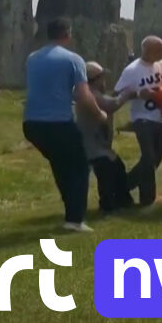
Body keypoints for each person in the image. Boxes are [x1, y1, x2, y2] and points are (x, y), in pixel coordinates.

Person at [23, 17, 108, 233]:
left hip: (32, 124)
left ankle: (71, 210)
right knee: (80, 167)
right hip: (58, 122)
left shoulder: (32, 58)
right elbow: (83, 94)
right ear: (68, 34)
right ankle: (75, 219)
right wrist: (99, 114)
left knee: (61, 165)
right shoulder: (74, 60)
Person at [115, 36, 162, 207]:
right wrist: (140, 94)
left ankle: (122, 186)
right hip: (142, 119)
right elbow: (118, 94)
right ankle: (147, 201)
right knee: (148, 158)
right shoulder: (132, 70)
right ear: (147, 50)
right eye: (159, 49)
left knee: (155, 159)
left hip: (161, 119)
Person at [80, 61, 136, 214]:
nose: (103, 80)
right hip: (92, 146)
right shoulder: (89, 94)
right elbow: (112, 104)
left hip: (99, 144)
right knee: (106, 172)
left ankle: (123, 201)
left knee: (117, 167)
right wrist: (128, 93)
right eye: (101, 77)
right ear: (95, 79)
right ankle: (108, 204)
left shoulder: (92, 92)